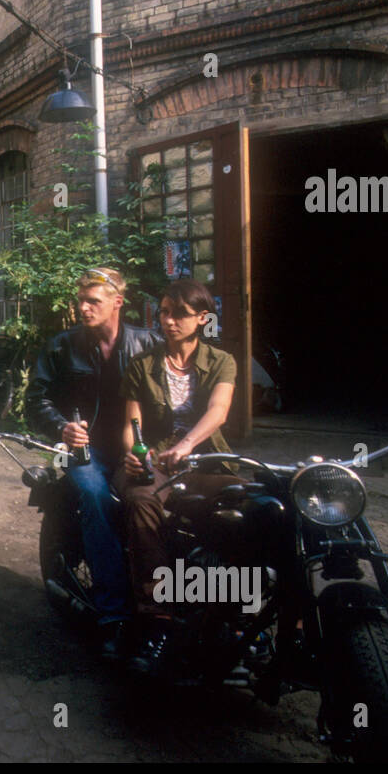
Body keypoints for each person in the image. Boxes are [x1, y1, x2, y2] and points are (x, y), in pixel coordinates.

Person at [25, 267, 161, 659]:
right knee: (97, 496)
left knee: (164, 502)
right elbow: (36, 400)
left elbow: (164, 400)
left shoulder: (148, 342)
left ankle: (165, 610)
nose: (83, 308)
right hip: (85, 451)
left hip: (135, 449)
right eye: (80, 301)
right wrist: (61, 427)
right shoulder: (61, 346)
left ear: (118, 302)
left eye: (93, 302)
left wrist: (152, 445)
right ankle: (115, 616)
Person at [115, 279, 238, 676]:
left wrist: (187, 445)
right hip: (156, 464)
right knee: (141, 501)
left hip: (205, 463)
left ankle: (246, 615)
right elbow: (131, 423)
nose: (169, 321)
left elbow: (218, 412)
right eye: (164, 312)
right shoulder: (141, 365)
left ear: (203, 318)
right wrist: (136, 456)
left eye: (180, 314)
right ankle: (157, 620)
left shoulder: (222, 362)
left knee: (261, 505)